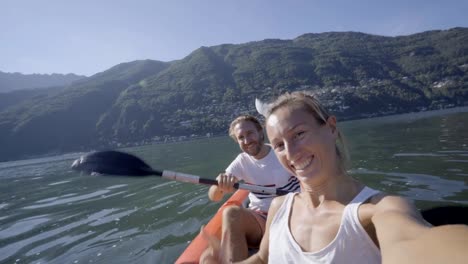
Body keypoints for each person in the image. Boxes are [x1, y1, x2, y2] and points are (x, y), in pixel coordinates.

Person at [201, 91, 468, 264]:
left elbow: (415, 243)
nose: (291, 153)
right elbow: (262, 258)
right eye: (280, 144)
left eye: (299, 134)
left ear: (330, 128)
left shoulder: (378, 211)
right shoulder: (281, 208)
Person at [203, 114, 300, 262]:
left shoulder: (281, 153)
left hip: (291, 215)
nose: (247, 141)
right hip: (260, 219)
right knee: (230, 213)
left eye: (250, 133)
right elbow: (213, 196)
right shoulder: (242, 161)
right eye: (241, 137)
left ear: (260, 132)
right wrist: (220, 185)